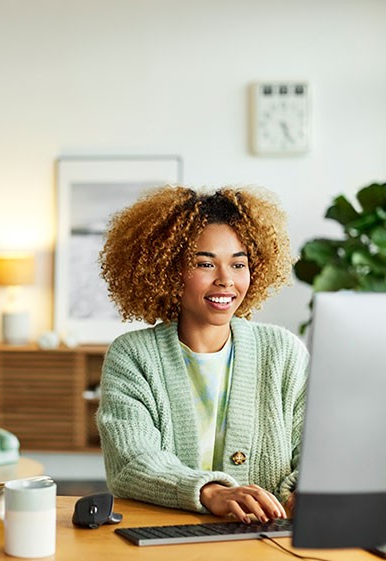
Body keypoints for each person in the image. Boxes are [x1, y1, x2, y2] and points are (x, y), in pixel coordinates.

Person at [96, 186, 309, 524]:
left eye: (238, 264)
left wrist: (305, 493)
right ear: (167, 270)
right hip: (164, 535)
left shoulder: (283, 352)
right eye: (205, 263)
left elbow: (313, 453)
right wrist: (212, 492)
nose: (226, 280)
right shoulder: (133, 356)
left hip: (270, 540)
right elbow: (131, 461)